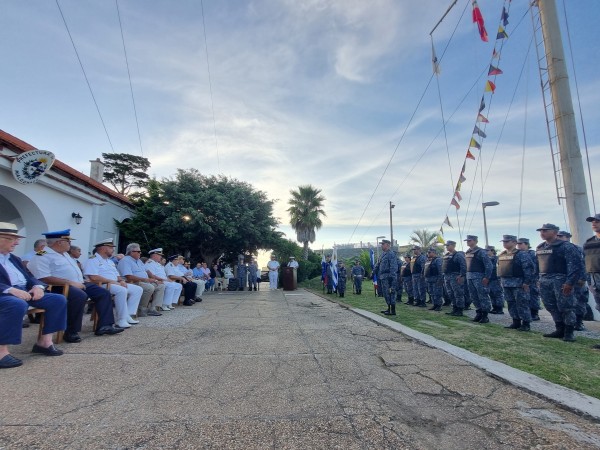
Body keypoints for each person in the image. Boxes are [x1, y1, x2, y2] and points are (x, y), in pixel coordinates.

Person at [28, 229, 123, 341]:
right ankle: (71, 331)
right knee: (79, 296)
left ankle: (105, 325)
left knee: (103, 293)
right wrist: (70, 283)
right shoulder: (42, 255)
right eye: (68, 241)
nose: (70, 244)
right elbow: (43, 277)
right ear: (59, 242)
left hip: (78, 283)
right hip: (58, 287)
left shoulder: (65, 254)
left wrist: (79, 282)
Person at [0, 222, 67, 368]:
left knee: (57, 300)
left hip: (22, 290)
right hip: (5, 293)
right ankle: (1, 353)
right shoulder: (40, 254)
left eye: (16, 239)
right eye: (11, 238)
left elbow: (29, 277)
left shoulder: (13, 258)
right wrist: (10, 290)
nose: (17, 242)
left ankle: (44, 342)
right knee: (16, 304)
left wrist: (37, 286)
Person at [536, 223, 583, 342]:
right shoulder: (541, 247)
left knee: (566, 306)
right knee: (550, 305)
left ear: (555, 232)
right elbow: (538, 265)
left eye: (546, 230)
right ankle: (559, 328)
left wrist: (570, 283)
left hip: (561, 280)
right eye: (541, 231)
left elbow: (575, 266)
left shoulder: (566, 246)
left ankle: (569, 331)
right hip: (545, 280)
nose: (542, 233)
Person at [83, 238, 143, 329]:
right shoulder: (92, 260)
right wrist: (113, 282)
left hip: (114, 284)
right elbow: (93, 277)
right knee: (121, 290)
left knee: (137, 289)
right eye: (110, 247)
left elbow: (117, 275)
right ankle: (121, 319)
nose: (113, 250)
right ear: (103, 248)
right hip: (101, 285)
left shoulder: (109, 261)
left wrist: (121, 281)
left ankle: (128, 314)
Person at [497, 235, 535, 331]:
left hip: (519, 283)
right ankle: (515, 321)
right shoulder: (502, 254)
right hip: (506, 283)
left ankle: (526, 323)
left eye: (507, 241)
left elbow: (529, 269)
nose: (504, 243)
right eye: (504, 242)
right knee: (510, 303)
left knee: (522, 303)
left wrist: (527, 282)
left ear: (514, 242)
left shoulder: (521, 254)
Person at [117, 243, 165, 317]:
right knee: (149, 287)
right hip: (133, 282)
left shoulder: (138, 261)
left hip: (144, 281)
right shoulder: (125, 261)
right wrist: (145, 279)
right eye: (138, 251)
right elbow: (129, 276)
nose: (140, 253)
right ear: (131, 252)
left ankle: (153, 308)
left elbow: (147, 271)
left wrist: (154, 279)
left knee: (160, 286)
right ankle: (141, 309)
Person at [557, 230, 589, 331]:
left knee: (580, 301)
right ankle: (568, 323)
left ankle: (579, 323)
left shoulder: (577, 249)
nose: (558, 238)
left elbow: (583, 264)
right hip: (565, 279)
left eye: (561, 236)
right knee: (567, 303)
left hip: (577, 280)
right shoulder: (558, 249)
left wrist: (583, 278)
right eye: (557, 236)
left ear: (568, 237)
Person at [464, 235, 493, 324]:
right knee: (474, 296)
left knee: (482, 296)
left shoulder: (481, 252)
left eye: (470, 240)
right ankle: (479, 312)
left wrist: (487, 277)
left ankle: (485, 315)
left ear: (475, 241)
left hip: (479, 277)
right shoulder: (468, 252)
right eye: (467, 240)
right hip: (470, 277)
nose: (468, 242)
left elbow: (489, 265)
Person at [583, 213, 600, 350]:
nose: (594, 223)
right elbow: (585, 262)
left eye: (597, 221)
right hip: (594, 279)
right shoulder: (589, 242)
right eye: (593, 222)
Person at [517, 238, 541, 321]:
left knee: (533, 296)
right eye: (518, 244)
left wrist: (535, 279)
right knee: (524, 298)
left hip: (532, 279)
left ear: (526, 244)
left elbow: (535, 267)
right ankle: (526, 313)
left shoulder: (532, 254)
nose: (518, 245)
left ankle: (535, 313)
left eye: (520, 244)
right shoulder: (518, 254)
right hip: (522, 279)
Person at [442, 241, 466, 317]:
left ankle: (460, 309)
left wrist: (461, 275)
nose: (446, 247)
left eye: (448, 245)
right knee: (450, 293)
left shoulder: (458, 255)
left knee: (458, 293)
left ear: (453, 245)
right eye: (446, 245)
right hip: (447, 276)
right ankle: (454, 308)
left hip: (455, 276)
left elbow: (463, 265)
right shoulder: (447, 255)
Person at [378, 240, 399, 316]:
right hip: (383, 277)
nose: (381, 245)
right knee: (386, 293)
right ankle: (388, 308)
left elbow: (393, 267)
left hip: (389, 277)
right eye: (381, 244)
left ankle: (392, 310)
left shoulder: (391, 254)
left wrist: (392, 278)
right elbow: (378, 264)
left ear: (388, 245)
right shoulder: (383, 254)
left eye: (383, 244)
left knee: (391, 293)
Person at [486, 246, 505, 315]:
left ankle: (499, 308)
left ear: (492, 251)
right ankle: (494, 307)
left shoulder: (496, 258)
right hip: (489, 279)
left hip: (495, 278)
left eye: (487, 250)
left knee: (497, 293)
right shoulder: (487, 259)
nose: (486, 252)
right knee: (491, 294)